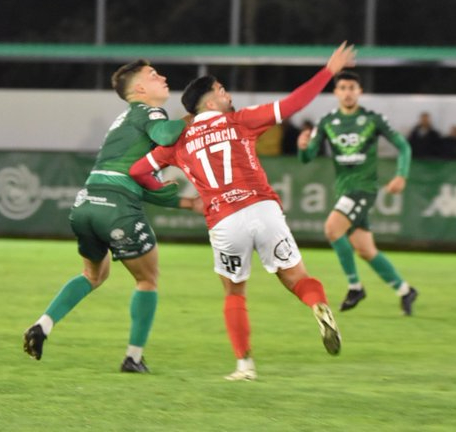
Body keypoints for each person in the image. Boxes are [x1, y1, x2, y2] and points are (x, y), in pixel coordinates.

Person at [129, 42, 357, 381]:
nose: (228, 94)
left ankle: (244, 366)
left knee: (234, 291)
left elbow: (137, 171)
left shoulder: (178, 141)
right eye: (222, 90)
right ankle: (317, 306)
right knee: (296, 277)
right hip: (263, 208)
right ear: (209, 101)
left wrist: (173, 194)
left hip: (223, 218)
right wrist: (328, 71)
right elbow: (294, 103)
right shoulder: (241, 121)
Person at [22, 59, 202, 373]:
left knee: (93, 275)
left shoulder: (123, 120)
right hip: (117, 208)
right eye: (153, 74)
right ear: (140, 89)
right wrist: (196, 115)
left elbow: (134, 179)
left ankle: (43, 324)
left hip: (87, 202)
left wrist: (187, 204)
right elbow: (165, 135)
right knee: (147, 280)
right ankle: (133, 358)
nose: (162, 77)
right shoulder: (150, 112)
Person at [297, 71, 418, 315]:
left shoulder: (372, 119)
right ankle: (405, 290)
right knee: (365, 250)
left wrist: (401, 174)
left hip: (364, 188)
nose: (348, 92)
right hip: (343, 189)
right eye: (343, 87)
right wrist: (302, 147)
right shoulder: (327, 121)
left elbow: (403, 146)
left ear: (360, 91)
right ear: (336, 92)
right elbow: (308, 158)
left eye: (353, 87)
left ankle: (355, 287)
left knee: (332, 229)